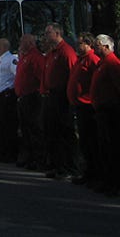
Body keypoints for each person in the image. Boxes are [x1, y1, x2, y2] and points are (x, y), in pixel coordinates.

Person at [41, 22, 78, 179]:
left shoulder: (66, 52)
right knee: (52, 133)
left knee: (65, 133)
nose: (45, 36)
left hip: (62, 97)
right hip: (51, 97)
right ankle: (57, 165)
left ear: (57, 33)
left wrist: (69, 97)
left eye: (48, 33)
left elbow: (73, 74)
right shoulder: (52, 53)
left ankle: (70, 167)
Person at [66, 32, 100, 186]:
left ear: (88, 44)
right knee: (85, 142)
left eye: (80, 43)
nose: (77, 46)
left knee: (91, 142)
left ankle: (95, 173)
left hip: (88, 106)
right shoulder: (81, 59)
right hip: (79, 105)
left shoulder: (92, 59)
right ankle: (88, 172)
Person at [89, 34, 120, 196]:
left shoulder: (113, 63)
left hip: (110, 112)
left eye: (97, 45)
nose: (95, 48)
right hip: (101, 111)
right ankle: (107, 180)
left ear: (106, 46)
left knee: (112, 147)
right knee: (104, 147)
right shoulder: (102, 63)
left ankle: (114, 183)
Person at [14, 33, 44, 169]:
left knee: (34, 130)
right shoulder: (24, 57)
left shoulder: (35, 57)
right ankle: (28, 157)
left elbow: (41, 77)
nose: (20, 42)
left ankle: (37, 159)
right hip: (23, 98)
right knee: (26, 130)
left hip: (32, 97)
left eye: (22, 41)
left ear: (30, 43)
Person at [0, 38, 18, 162]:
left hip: (5, 97)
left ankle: (9, 154)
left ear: (5, 47)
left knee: (8, 126)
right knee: (0, 126)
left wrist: (10, 90)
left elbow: (17, 74)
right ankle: (2, 152)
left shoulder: (11, 59)